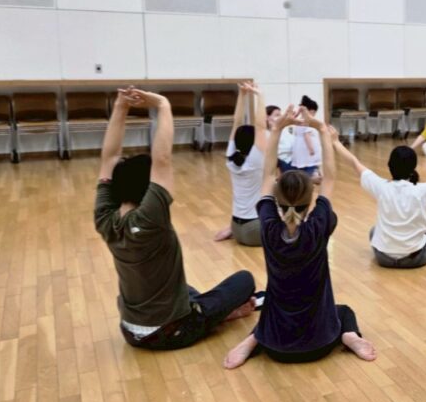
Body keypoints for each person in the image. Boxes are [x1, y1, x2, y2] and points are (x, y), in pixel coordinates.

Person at [95, 87, 256, 350]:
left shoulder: (104, 217)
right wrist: (163, 105)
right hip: (173, 331)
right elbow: (162, 159)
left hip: (130, 331)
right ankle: (216, 316)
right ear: (148, 189)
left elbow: (109, 157)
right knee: (244, 280)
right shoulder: (151, 217)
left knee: (183, 287)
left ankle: (213, 312)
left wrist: (121, 107)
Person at [223, 106, 377, 368]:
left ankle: (253, 339)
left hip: (275, 346)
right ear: (310, 199)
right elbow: (329, 177)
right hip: (321, 344)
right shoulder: (319, 226)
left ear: (277, 198)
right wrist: (321, 129)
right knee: (343, 312)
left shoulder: (268, 226)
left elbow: (267, 174)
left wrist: (277, 128)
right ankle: (350, 336)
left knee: (271, 308)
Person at [331, 141, 426, 268]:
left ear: (389, 166)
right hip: (415, 259)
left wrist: (335, 141)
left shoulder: (381, 186)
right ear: (414, 167)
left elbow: (354, 162)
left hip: (383, 258)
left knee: (374, 231)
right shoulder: (422, 190)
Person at [214, 82, 268, 245]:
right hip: (255, 228)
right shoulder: (255, 160)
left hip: (237, 227)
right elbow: (260, 126)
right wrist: (260, 95)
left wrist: (242, 95)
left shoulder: (231, 157)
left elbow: (236, 122)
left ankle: (230, 231)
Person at [290, 95, 322, 178]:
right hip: (306, 151)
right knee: (309, 168)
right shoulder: (307, 121)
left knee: (301, 169)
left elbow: (292, 119)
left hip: (299, 150)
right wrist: (311, 149)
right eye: (314, 112)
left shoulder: (299, 120)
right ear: (311, 111)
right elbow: (306, 135)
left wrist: (298, 112)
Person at [266, 103, 296, 172]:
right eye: (277, 115)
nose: (280, 118)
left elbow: (292, 143)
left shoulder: (284, 129)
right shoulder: (266, 133)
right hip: (282, 161)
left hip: (292, 159)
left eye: (280, 115)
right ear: (267, 117)